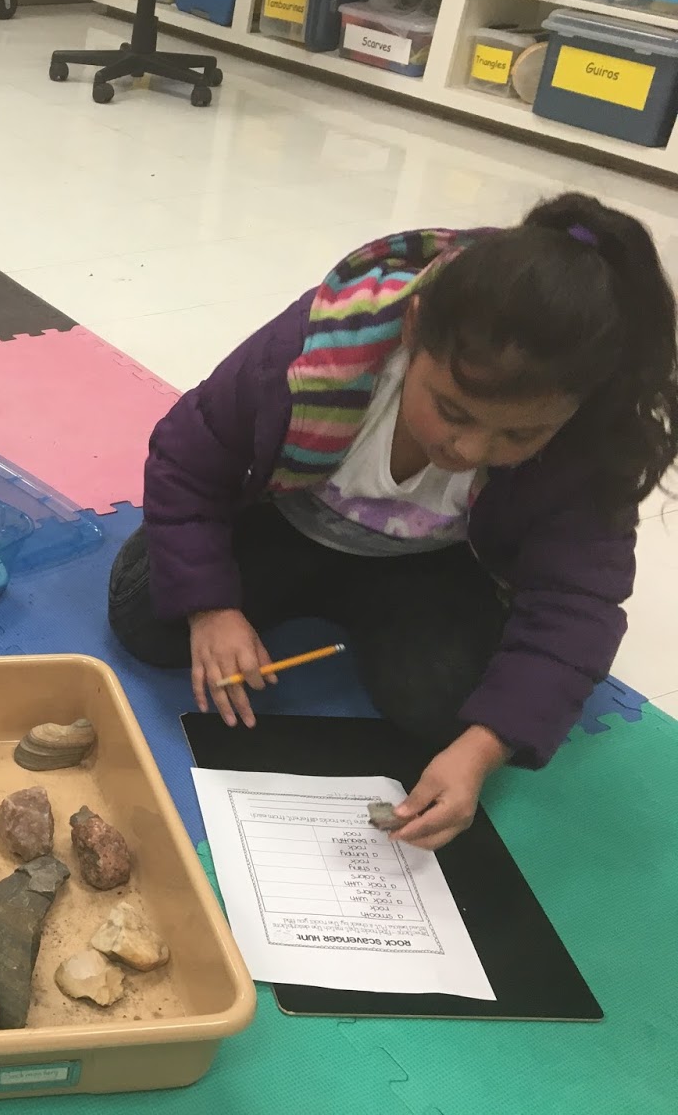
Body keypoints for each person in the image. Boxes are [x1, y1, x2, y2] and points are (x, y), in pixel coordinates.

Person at [109, 193, 678, 850]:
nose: (468, 449)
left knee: (453, 709)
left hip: (425, 567)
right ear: (412, 328)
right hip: (284, 521)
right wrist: (211, 608)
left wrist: (482, 749)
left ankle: (386, 633)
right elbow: (188, 458)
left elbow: (579, 601)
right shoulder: (315, 352)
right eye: (453, 411)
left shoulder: (582, 442)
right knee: (150, 619)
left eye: (518, 435)